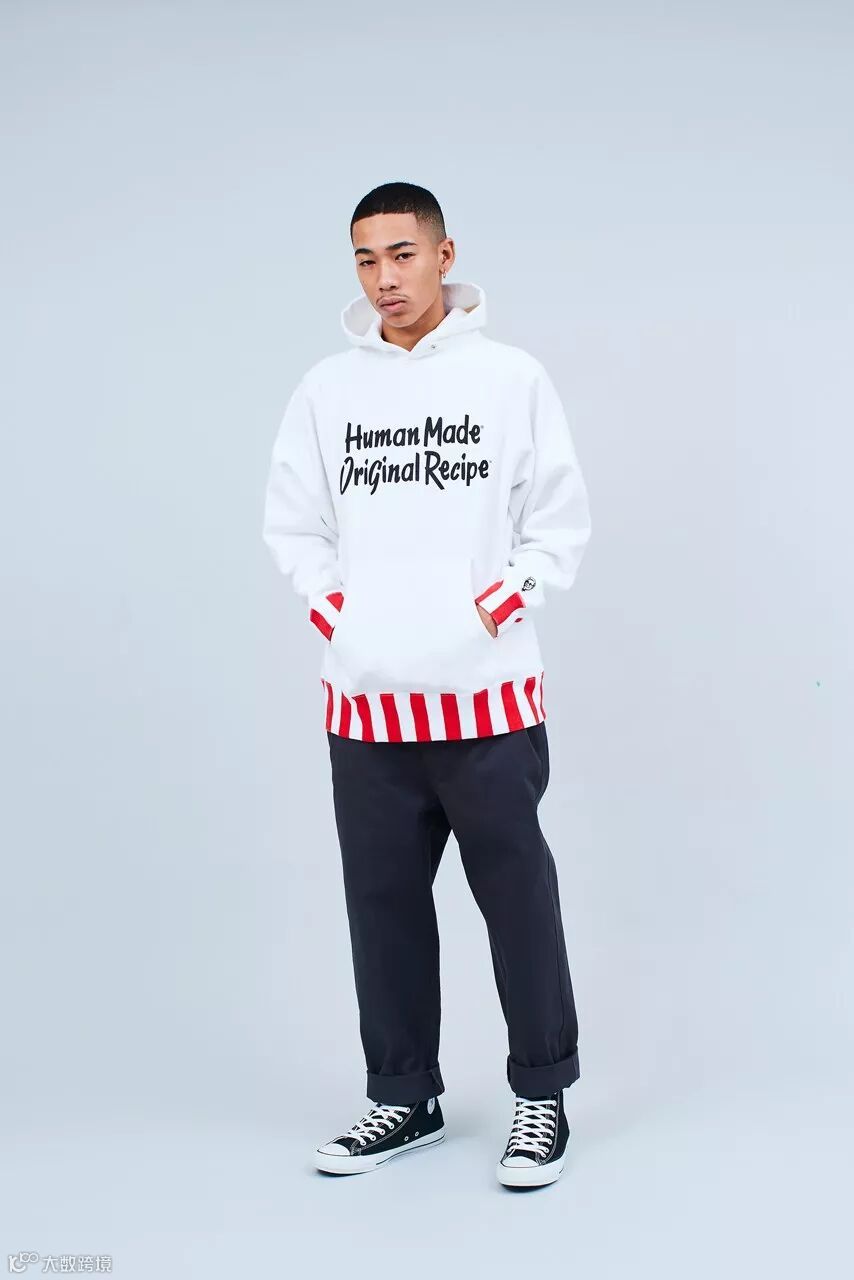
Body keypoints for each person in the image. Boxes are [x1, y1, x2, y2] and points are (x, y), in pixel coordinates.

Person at [262, 181, 592, 1188]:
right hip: (366, 705)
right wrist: (342, 616)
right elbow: (293, 524)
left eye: (402, 254)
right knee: (384, 907)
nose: (384, 277)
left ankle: (541, 1094)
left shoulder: (510, 378)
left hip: (487, 700)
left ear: (445, 254)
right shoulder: (326, 390)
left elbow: (558, 521)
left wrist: (494, 607)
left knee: (518, 901)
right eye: (366, 259)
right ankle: (403, 1095)